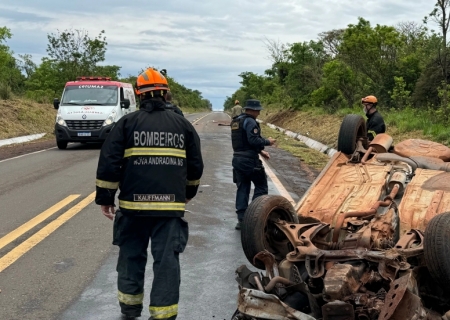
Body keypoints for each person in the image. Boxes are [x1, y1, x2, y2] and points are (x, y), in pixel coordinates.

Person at [95, 67, 204, 319]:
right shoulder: (183, 125)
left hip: (132, 209)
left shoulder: (126, 124)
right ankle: (163, 315)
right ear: (166, 93)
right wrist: (187, 193)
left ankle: (130, 308)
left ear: (139, 94)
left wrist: (105, 198)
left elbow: (109, 162)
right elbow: (195, 166)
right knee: (166, 263)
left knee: (131, 258)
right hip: (169, 210)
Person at [231, 99, 276, 230]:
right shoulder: (250, 121)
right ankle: (254, 217)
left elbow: (244, 141)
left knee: (242, 187)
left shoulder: (236, 121)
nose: (259, 113)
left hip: (238, 159)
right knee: (261, 185)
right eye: (258, 111)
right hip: (249, 160)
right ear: (253, 110)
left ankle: (242, 219)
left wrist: (261, 152)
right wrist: (268, 142)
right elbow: (253, 140)